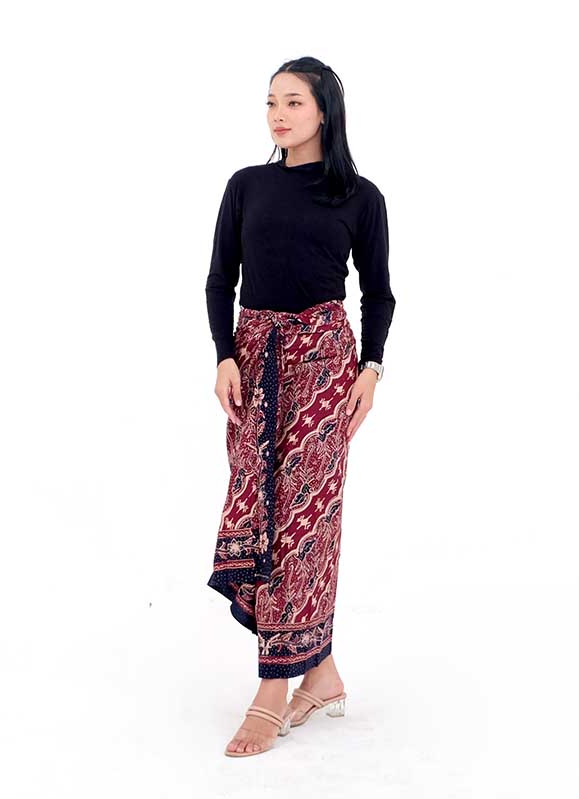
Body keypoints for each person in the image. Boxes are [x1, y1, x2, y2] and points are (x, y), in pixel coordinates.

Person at [204, 57, 396, 757]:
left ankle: (273, 687)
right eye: (270, 102)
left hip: (323, 365)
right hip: (254, 362)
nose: (278, 115)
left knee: (304, 522)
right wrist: (223, 355)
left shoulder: (360, 197)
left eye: (292, 102)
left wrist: (371, 368)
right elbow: (219, 278)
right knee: (259, 513)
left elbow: (378, 292)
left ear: (324, 111)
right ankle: (322, 674)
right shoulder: (246, 185)